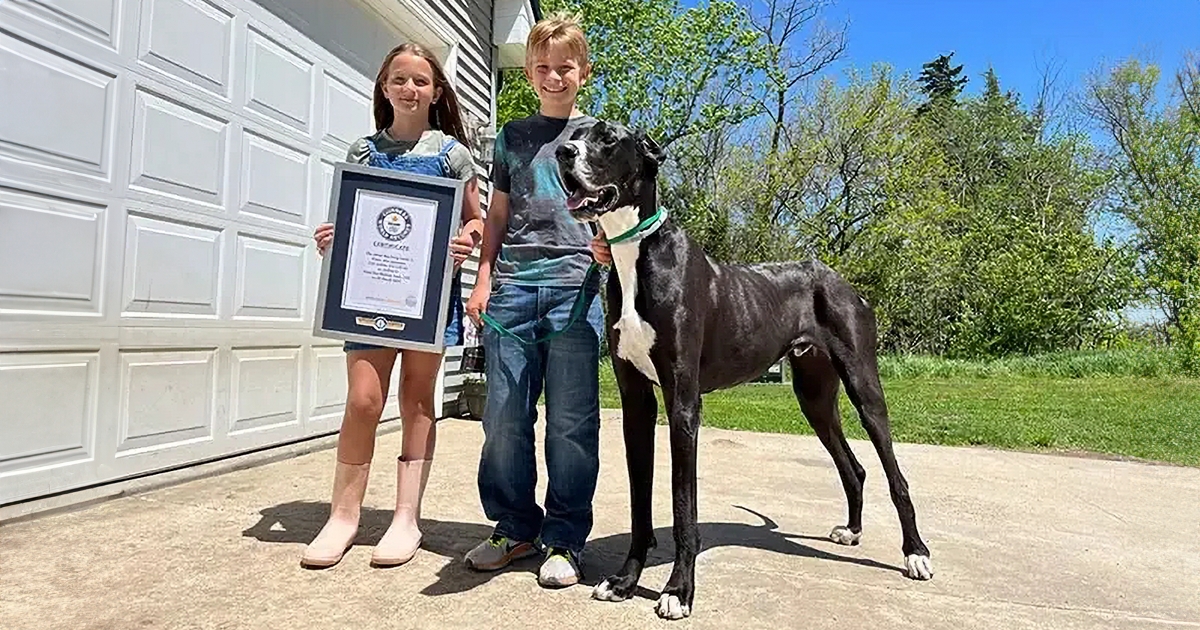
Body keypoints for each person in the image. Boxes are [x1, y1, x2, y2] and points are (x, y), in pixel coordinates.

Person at [302, 42, 483, 569]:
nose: (410, 89)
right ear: (384, 87)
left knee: (417, 399)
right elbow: (352, 219)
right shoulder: (362, 152)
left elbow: (474, 219)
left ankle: (407, 518)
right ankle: (343, 516)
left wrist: (467, 240)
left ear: (436, 91)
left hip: (426, 299)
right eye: (399, 79)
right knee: (363, 400)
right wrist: (334, 238)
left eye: (421, 81)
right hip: (366, 297)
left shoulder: (451, 155)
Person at [463, 12, 609, 588]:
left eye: (565, 68)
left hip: (578, 287)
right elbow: (497, 213)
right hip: (514, 289)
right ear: (528, 72)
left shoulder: (600, 137)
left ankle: (566, 538)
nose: (554, 77)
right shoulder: (512, 138)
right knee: (503, 416)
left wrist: (608, 246)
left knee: (572, 421)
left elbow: (623, 209)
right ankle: (514, 525)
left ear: (583, 72)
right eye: (543, 68)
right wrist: (483, 279)